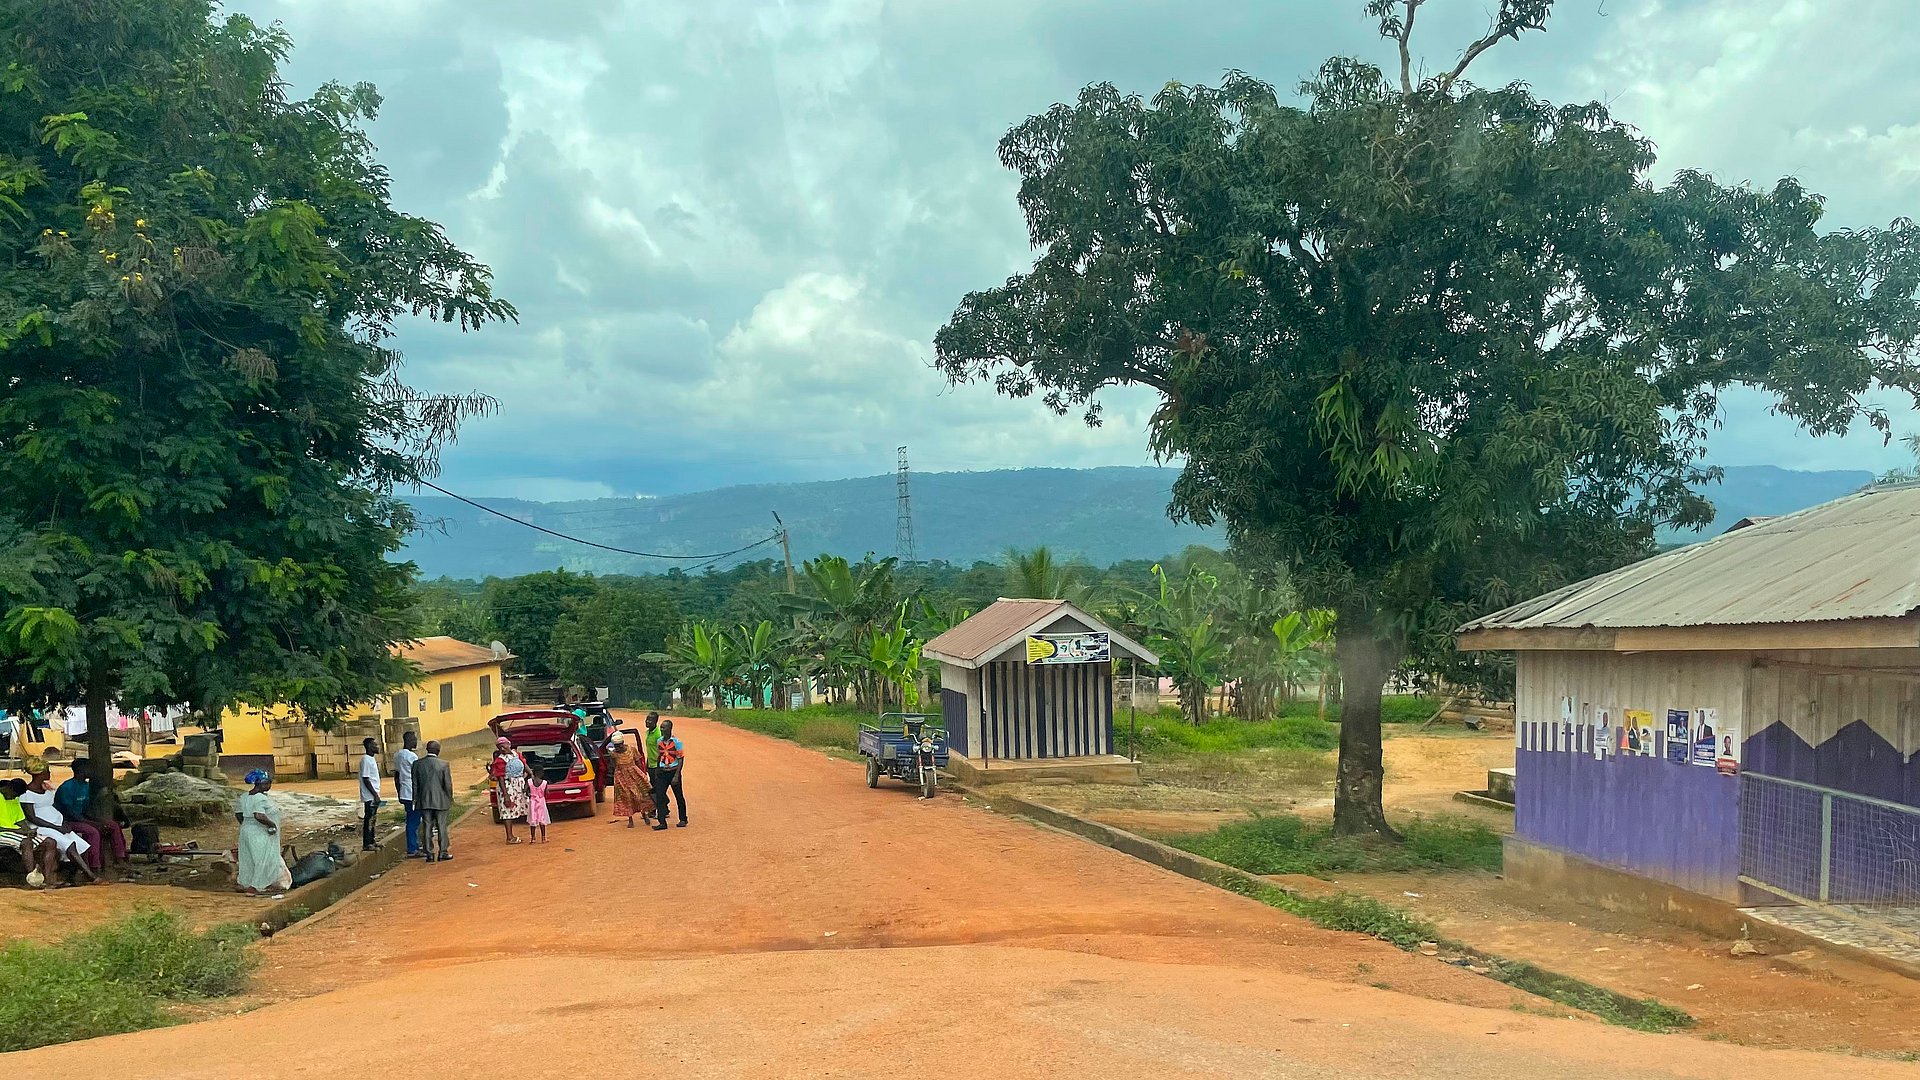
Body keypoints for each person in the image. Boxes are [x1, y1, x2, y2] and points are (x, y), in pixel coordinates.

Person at [17, 761, 103, 885]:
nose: (49, 773)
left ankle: (73, 876)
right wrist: (55, 827)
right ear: (39, 774)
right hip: (43, 827)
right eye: (47, 771)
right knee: (70, 845)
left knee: (82, 846)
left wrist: (61, 824)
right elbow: (32, 818)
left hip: (57, 824)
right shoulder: (27, 794)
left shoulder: (46, 789)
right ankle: (91, 876)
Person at [53, 758, 128, 873]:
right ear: (81, 770)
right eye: (89, 768)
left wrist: (99, 821)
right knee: (93, 832)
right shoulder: (67, 788)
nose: (92, 771)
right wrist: (94, 824)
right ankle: (94, 866)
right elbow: (70, 813)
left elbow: (86, 809)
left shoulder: (85, 786)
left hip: (82, 818)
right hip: (68, 821)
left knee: (113, 825)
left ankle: (120, 858)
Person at [234, 769, 291, 896]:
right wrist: (272, 825)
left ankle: (246, 883)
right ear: (261, 784)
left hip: (246, 830)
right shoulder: (260, 798)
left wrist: (246, 825)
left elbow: (238, 814)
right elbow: (259, 815)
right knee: (263, 858)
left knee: (248, 858)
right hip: (260, 832)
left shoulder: (244, 797)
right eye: (268, 783)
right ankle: (257, 886)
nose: (269, 786)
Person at [1, 779, 57, 889]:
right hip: (2, 833)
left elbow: (20, 820)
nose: (15, 797)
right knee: (27, 843)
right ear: (9, 789)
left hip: (15, 832)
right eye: (15, 794)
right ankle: (32, 881)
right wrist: (20, 832)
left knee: (50, 842)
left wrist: (28, 831)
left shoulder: (14, 798)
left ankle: (47, 879)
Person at [412, 740, 454, 862]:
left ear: (427, 749)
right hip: (441, 800)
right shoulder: (443, 764)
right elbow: (447, 784)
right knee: (441, 826)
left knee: (427, 826)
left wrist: (415, 799)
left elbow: (415, 785)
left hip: (424, 800)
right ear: (438, 750)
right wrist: (450, 798)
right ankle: (443, 852)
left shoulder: (417, 764)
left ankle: (429, 853)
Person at [606, 731, 651, 830]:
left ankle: (644, 814)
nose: (617, 748)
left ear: (622, 743)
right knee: (627, 798)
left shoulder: (632, 750)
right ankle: (630, 819)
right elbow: (614, 766)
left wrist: (642, 774)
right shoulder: (613, 754)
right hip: (621, 777)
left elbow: (638, 762)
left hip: (634, 775)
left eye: (619, 745)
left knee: (639, 796)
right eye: (616, 746)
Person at [490, 736, 529, 844]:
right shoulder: (500, 760)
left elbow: (525, 766)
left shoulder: (517, 755)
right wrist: (505, 794)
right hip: (507, 786)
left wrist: (531, 775)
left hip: (518, 785)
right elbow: (501, 778)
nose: (502, 748)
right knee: (507, 810)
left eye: (504, 745)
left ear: (509, 744)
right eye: (500, 747)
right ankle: (509, 837)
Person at [651, 719, 686, 830]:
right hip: (662, 772)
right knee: (660, 797)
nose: (661, 730)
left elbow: (680, 759)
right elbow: (659, 756)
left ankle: (683, 819)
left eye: (664, 728)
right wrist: (657, 771)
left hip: (673, 771)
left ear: (670, 729)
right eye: (661, 727)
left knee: (679, 796)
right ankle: (662, 822)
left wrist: (676, 775)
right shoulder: (659, 741)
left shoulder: (677, 742)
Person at [393, 731, 421, 858]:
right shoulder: (412, 757)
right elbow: (418, 775)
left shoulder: (397, 755)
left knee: (411, 819)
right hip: (412, 793)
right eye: (414, 739)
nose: (416, 742)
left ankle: (414, 845)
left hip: (404, 792)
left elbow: (397, 776)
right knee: (413, 821)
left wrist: (398, 792)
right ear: (409, 740)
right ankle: (412, 848)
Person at [357, 737, 383, 851]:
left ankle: (372, 840)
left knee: (373, 819)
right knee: (369, 818)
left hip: (374, 794)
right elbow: (366, 779)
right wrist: (375, 795)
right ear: (369, 747)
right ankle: (367, 843)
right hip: (369, 796)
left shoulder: (371, 759)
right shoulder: (366, 760)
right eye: (374, 745)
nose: (377, 747)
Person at [525, 753, 551, 844]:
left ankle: (533, 838)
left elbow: (525, 791)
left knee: (533, 820)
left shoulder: (529, 781)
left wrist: (530, 794)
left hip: (532, 802)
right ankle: (543, 838)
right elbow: (547, 793)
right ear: (542, 773)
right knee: (542, 819)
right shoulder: (544, 783)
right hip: (541, 802)